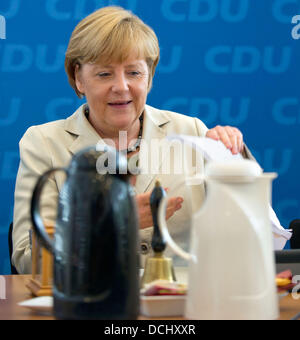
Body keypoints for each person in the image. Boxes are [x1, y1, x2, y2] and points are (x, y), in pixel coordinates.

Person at [12, 6, 248, 274]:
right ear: (79, 77)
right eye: (104, 74)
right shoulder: (43, 143)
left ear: (149, 77)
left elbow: (246, 231)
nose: (121, 87)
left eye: (134, 73)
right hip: (92, 308)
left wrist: (234, 156)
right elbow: (28, 260)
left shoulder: (191, 131)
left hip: (184, 306)